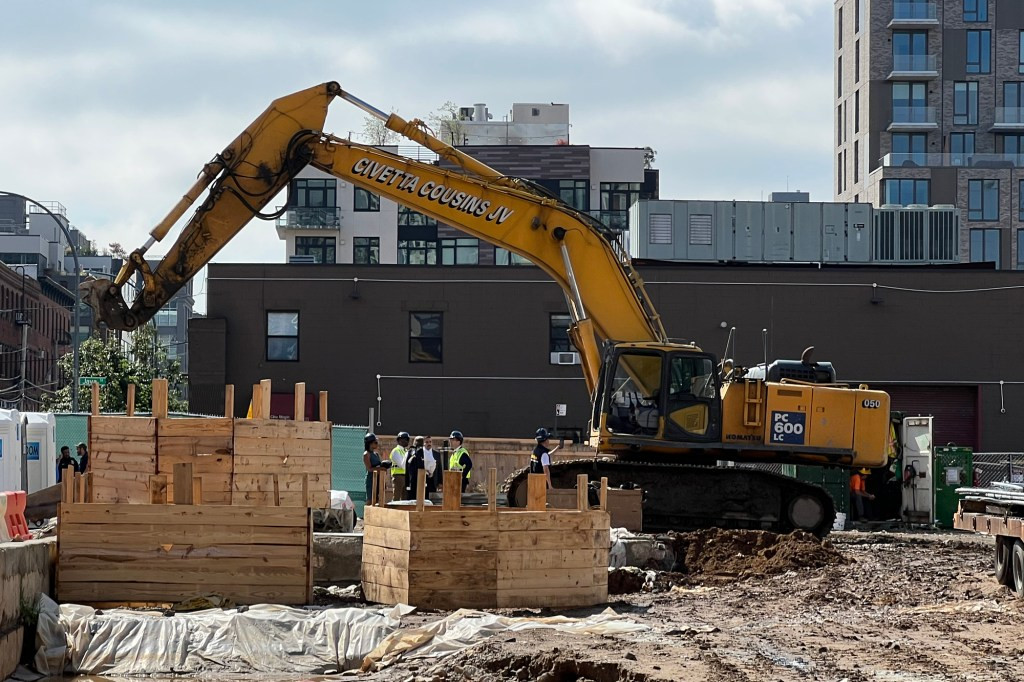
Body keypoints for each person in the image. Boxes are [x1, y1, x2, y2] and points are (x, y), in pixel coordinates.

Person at [362, 433, 391, 504]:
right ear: (370, 443)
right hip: (371, 479)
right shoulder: (366, 454)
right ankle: (366, 514)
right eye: (375, 442)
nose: (377, 444)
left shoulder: (376, 454)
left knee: (378, 499)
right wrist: (380, 468)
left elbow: (379, 465)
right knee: (370, 499)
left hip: (379, 478)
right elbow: (369, 468)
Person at [389, 432, 410, 501]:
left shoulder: (406, 451)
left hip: (405, 476)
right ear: (399, 440)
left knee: (405, 498)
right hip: (398, 476)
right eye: (404, 439)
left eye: (407, 439)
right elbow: (402, 465)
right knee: (397, 497)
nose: (406, 441)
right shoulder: (396, 451)